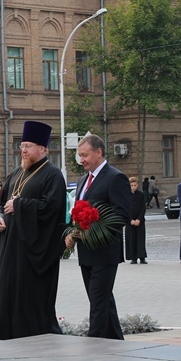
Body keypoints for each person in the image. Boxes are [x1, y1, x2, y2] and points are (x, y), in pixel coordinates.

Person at [0, 121, 66, 340]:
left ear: (42, 149)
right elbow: (2, 202)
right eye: (22, 145)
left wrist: (20, 205)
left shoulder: (53, 176)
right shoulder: (16, 173)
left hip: (34, 253)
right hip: (10, 248)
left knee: (28, 296)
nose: (23, 150)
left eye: (28, 146)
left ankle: (33, 334)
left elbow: (53, 210)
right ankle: (5, 333)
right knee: (6, 293)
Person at [65, 133, 131, 339]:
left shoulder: (115, 177)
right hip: (86, 253)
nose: (81, 160)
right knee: (102, 300)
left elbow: (122, 215)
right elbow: (77, 211)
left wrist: (93, 229)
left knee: (98, 300)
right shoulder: (84, 179)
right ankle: (115, 340)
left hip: (105, 252)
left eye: (85, 155)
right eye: (79, 156)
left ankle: (95, 344)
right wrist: (71, 233)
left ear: (99, 152)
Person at [125, 176, 146, 264]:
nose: (133, 187)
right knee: (131, 239)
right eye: (131, 185)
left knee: (140, 239)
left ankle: (142, 257)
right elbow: (125, 209)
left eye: (135, 185)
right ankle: (133, 257)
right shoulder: (125, 195)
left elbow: (143, 208)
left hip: (139, 221)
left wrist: (139, 219)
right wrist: (130, 220)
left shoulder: (141, 194)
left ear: (137, 185)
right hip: (130, 221)